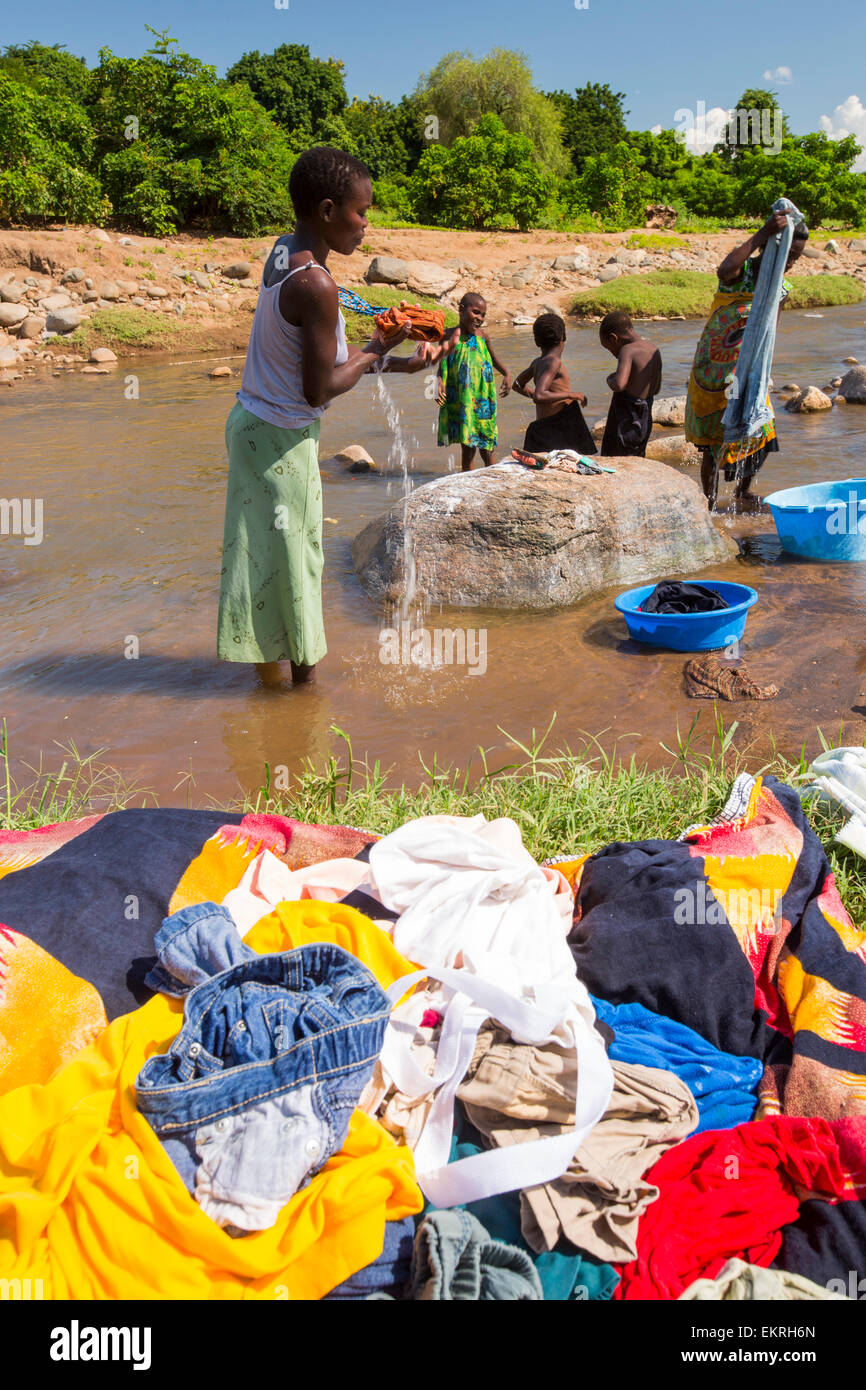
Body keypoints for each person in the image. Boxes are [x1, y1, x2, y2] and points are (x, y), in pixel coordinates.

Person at [217, 147, 424, 691]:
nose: (367, 224)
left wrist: (393, 360)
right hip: (282, 441)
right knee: (299, 561)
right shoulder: (317, 285)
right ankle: (302, 699)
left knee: (262, 557)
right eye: (362, 211)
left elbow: (315, 355)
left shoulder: (285, 253)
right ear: (328, 210)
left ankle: (265, 679)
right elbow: (320, 388)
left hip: (251, 426)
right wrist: (379, 345)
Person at [685, 209, 809, 510]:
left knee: (763, 431)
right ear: (772, 246)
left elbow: (769, 332)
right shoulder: (745, 273)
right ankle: (710, 503)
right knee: (713, 445)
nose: (790, 262)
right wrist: (763, 232)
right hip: (715, 370)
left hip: (748, 369)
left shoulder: (781, 288)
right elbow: (723, 270)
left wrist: (763, 372)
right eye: (788, 253)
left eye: (797, 257)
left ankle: (742, 491)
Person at [434, 293, 510, 469]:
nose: (480, 318)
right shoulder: (448, 336)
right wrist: (438, 383)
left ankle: (493, 480)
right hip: (463, 398)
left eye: (483, 315)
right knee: (467, 446)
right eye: (476, 312)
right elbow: (440, 365)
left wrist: (506, 373)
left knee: (487, 446)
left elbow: (494, 358)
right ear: (461, 309)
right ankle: (466, 483)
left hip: (483, 398)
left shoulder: (483, 336)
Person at [511, 314, 596, 455]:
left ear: (536, 341)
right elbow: (540, 395)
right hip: (558, 426)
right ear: (564, 336)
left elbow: (517, 384)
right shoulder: (553, 362)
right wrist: (570, 395)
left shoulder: (537, 362)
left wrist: (540, 396)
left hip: (544, 426)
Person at [598, 311, 662, 457]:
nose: (612, 354)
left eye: (609, 349)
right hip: (645, 418)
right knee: (637, 455)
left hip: (626, 419)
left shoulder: (627, 350)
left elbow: (619, 384)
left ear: (614, 338)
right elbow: (656, 388)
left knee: (614, 457)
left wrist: (610, 378)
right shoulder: (653, 349)